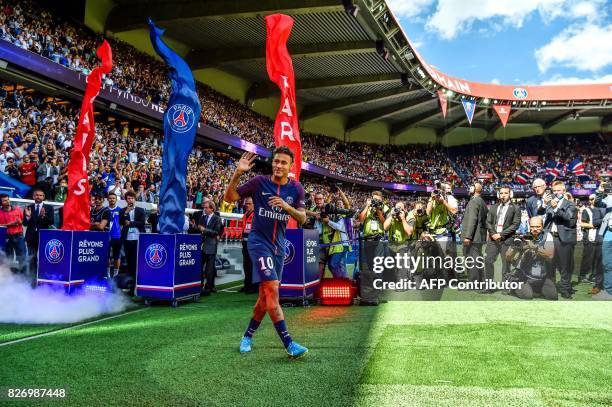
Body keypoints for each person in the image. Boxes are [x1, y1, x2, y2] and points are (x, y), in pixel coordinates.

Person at [224, 147, 308, 358]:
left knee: (265, 298)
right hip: (258, 244)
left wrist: (286, 208)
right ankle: (289, 344)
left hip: (278, 247)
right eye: (276, 161)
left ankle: (247, 336)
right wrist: (238, 173)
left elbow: (302, 219)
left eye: (283, 163)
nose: (278, 165)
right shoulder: (259, 182)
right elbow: (230, 197)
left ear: (291, 167)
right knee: (272, 293)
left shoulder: (296, 189)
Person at [507, 216, 557, 300]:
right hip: (524, 276)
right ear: (529, 226)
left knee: (553, 296)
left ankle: (535, 289)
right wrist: (515, 247)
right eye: (532, 227)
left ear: (542, 226)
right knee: (527, 296)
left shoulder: (547, 235)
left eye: (538, 227)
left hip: (542, 276)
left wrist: (534, 247)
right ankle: (513, 284)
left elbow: (550, 255)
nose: (535, 229)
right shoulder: (524, 234)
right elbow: (508, 257)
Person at [484, 186, 521, 288]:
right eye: (501, 193)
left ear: (510, 194)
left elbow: (515, 225)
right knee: (488, 261)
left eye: (506, 193)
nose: (503, 195)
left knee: (506, 264)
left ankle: (506, 287)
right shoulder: (493, 207)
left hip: (507, 240)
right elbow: (488, 222)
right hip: (493, 240)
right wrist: (494, 234)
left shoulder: (516, 208)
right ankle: (488, 286)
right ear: (498, 194)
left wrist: (501, 234)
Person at [545, 181, 577, 299]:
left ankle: (565, 288)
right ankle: (551, 288)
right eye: (554, 191)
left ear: (564, 191)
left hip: (563, 238)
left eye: (559, 190)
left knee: (564, 266)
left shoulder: (570, 204)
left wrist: (556, 207)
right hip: (551, 237)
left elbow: (569, 218)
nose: (556, 192)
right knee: (550, 264)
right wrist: (545, 205)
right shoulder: (550, 204)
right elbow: (545, 218)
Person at [358, 190, 390, 305]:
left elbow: (385, 223)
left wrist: (378, 210)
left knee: (378, 267)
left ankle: (377, 293)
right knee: (367, 268)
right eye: (374, 199)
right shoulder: (367, 206)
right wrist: (367, 206)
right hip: (367, 239)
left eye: (378, 199)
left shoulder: (385, 208)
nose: (376, 201)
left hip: (378, 240)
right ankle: (368, 293)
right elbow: (360, 220)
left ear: (381, 199)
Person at [460, 183, 488, 283]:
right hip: (478, 237)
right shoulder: (482, 201)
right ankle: (480, 281)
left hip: (472, 238)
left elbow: (472, 219)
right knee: (477, 259)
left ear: (474, 189)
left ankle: (473, 282)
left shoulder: (474, 201)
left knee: (471, 260)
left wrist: (468, 236)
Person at [24, 188, 54, 275]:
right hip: (31, 237)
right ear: (33, 196)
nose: (38, 197)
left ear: (43, 197)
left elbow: (51, 222)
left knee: (44, 257)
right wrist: (28, 217)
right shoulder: (28, 208)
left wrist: (43, 216)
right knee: (32, 258)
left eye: (40, 195)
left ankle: (43, 276)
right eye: (37, 195)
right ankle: (32, 277)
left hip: (43, 237)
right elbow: (25, 223)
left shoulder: (49, 208)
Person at [578, 194, 604, 294]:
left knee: (598, 259)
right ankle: (582, 276)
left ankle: (594, 276)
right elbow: (582, 223)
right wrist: (595, 224)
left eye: (594, 199)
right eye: (591, 199)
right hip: (589, 237)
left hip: (599, 237)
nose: (592, 200)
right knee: (587, 258)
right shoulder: (586, 210)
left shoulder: (601, 209)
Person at [120, 191, 145, 291]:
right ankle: (130, 282)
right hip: (127, 238)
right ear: (126, 200)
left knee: (136, 260)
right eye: (128, 198)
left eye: (132, 198)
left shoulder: (140, 210)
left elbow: (142, 223)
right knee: (129, 260)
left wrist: (130, 222)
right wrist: (126, 212)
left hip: (138, 237)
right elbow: (121, 222)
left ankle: (138, 282)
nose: (130, 200)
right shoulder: (123, 211)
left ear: (135, 199)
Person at [383, 201, 412, 282]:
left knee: (401, 265)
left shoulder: (407, 216)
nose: (398, 210)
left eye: (400, 209)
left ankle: (403, 282)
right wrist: (392, 216)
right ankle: (393, 281)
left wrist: (402, 219)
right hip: (391, 245)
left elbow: (409, 232)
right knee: (390, 265)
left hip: (402, 245)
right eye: (397, 208)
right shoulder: (391, 215)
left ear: (405, 209)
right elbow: (385, 227)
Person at [198, 200, 223, 296]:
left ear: (212, 208)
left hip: (211, 246)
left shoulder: (217, 219)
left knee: (209, 269)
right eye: (204, 207)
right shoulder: (203, 218)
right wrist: (196, 226)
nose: (204, 209)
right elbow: (199, 229)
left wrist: (204, 230)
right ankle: (200, 286)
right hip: (202, 245)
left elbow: (216, 232)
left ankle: (209, 287)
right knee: (200, 267)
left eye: (206, 207)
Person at [593, 180, 612, 300]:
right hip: (609, 233)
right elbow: (597, 203)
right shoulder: (608, 199)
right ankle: (609, 291)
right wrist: (600, 192)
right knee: (607, 264)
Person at [0, 194, 26, 274]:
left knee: (22, 256)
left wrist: (19, 222)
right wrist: (11, 224)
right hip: (6, 237)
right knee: (8, 257)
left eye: (8, 199)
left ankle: (23, 275)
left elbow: (22, 221)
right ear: (1, 203)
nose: (7, 201)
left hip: (18, 235)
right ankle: (9, 276)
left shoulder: (17, 209)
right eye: (4, 200)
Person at [239, 197, 257, 294]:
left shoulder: (256, 215)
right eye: (246, 204)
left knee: (252, 266)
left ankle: (253, 286)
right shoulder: (245, 215)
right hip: (245, 244)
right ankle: (247, 285)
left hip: (253, 245)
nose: (247, 205)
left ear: (254, 205)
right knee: (246, 265)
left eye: (249, 204)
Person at [107, 192, 122, 277]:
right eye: (110, 198)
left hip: (117, 236)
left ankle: (116, 275)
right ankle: (108, 274)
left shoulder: (120, 210)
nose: (112, 199)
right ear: (108, 199)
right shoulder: (105, 210)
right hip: (107, 236)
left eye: (113, 198)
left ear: (116, 200)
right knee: (107, 256)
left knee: (117, 256)